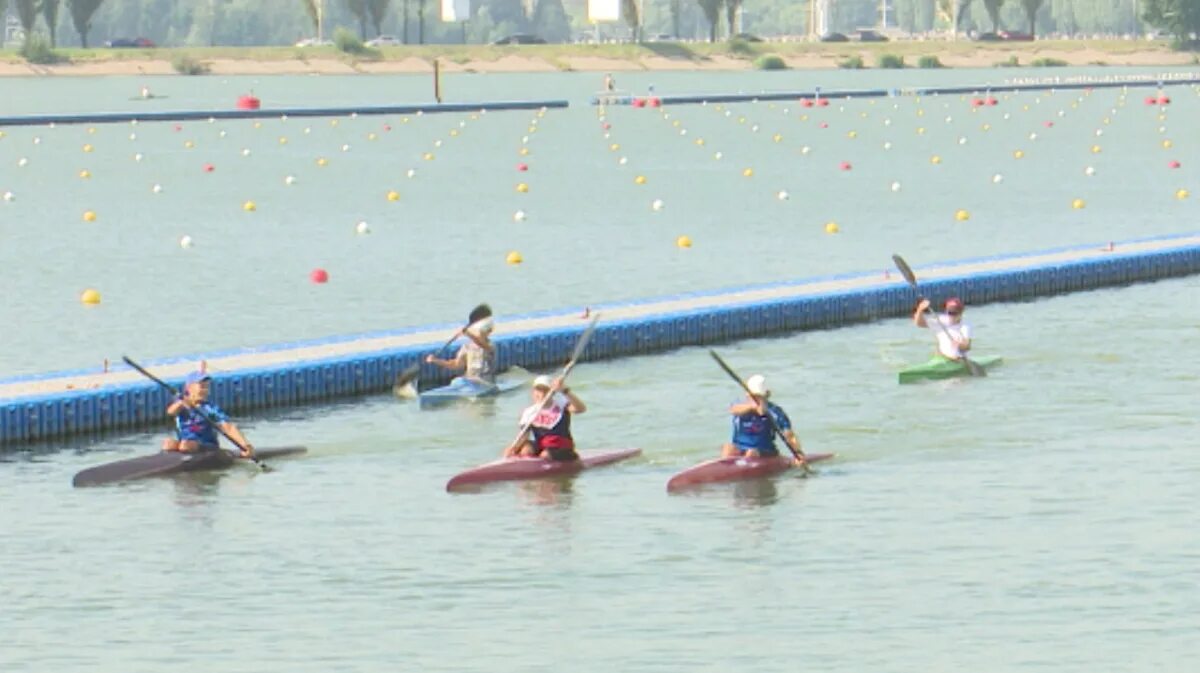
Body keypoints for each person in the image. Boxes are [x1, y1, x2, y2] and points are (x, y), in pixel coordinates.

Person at [162, 371, 254, 457]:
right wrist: (182, 403)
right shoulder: (181, 405)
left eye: (207, 387)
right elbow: (171, 412)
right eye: (201, 387)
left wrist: (245, 445)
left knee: (186, 445)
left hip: (208, 447)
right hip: (186, 444)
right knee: (168, 443)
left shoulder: (209, 409)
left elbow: (227, 427)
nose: (205, 390)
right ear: (189, 388)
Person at [721, 375, 804, 464]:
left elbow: (789, 435)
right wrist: (753, 408)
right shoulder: (740, 405)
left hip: (765, 452)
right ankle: (721, 471)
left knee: (752, 452)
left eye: (758, 396)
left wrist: (798, 453)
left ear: (766, 395)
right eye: (752, 396)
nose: (754, 399)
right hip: (740, 448)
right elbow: (733, 409)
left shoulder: (775, 411)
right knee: (728, 448)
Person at [505, 375, 587, 461]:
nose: (541, 394)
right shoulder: (529, 412)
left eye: (546, 391)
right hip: (541, 446)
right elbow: (524, 436)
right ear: (533, 392)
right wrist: (513, 448)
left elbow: (581, 409)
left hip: (561, 447)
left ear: (552, 393)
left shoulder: (561, 404)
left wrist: (565, 391)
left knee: (545, 455)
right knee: (526, 450)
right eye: (538, 390)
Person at [425, 317, 497, 388]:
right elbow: (456, 364)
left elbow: (481, 344)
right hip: (470, 381)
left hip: (485, 382)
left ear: (489, 332)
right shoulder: (467, 346)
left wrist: (467, 333)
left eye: (482, 331)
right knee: (457, 381)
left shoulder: (491, 346)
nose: (479, 333)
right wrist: (435, 360)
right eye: (479, 331)